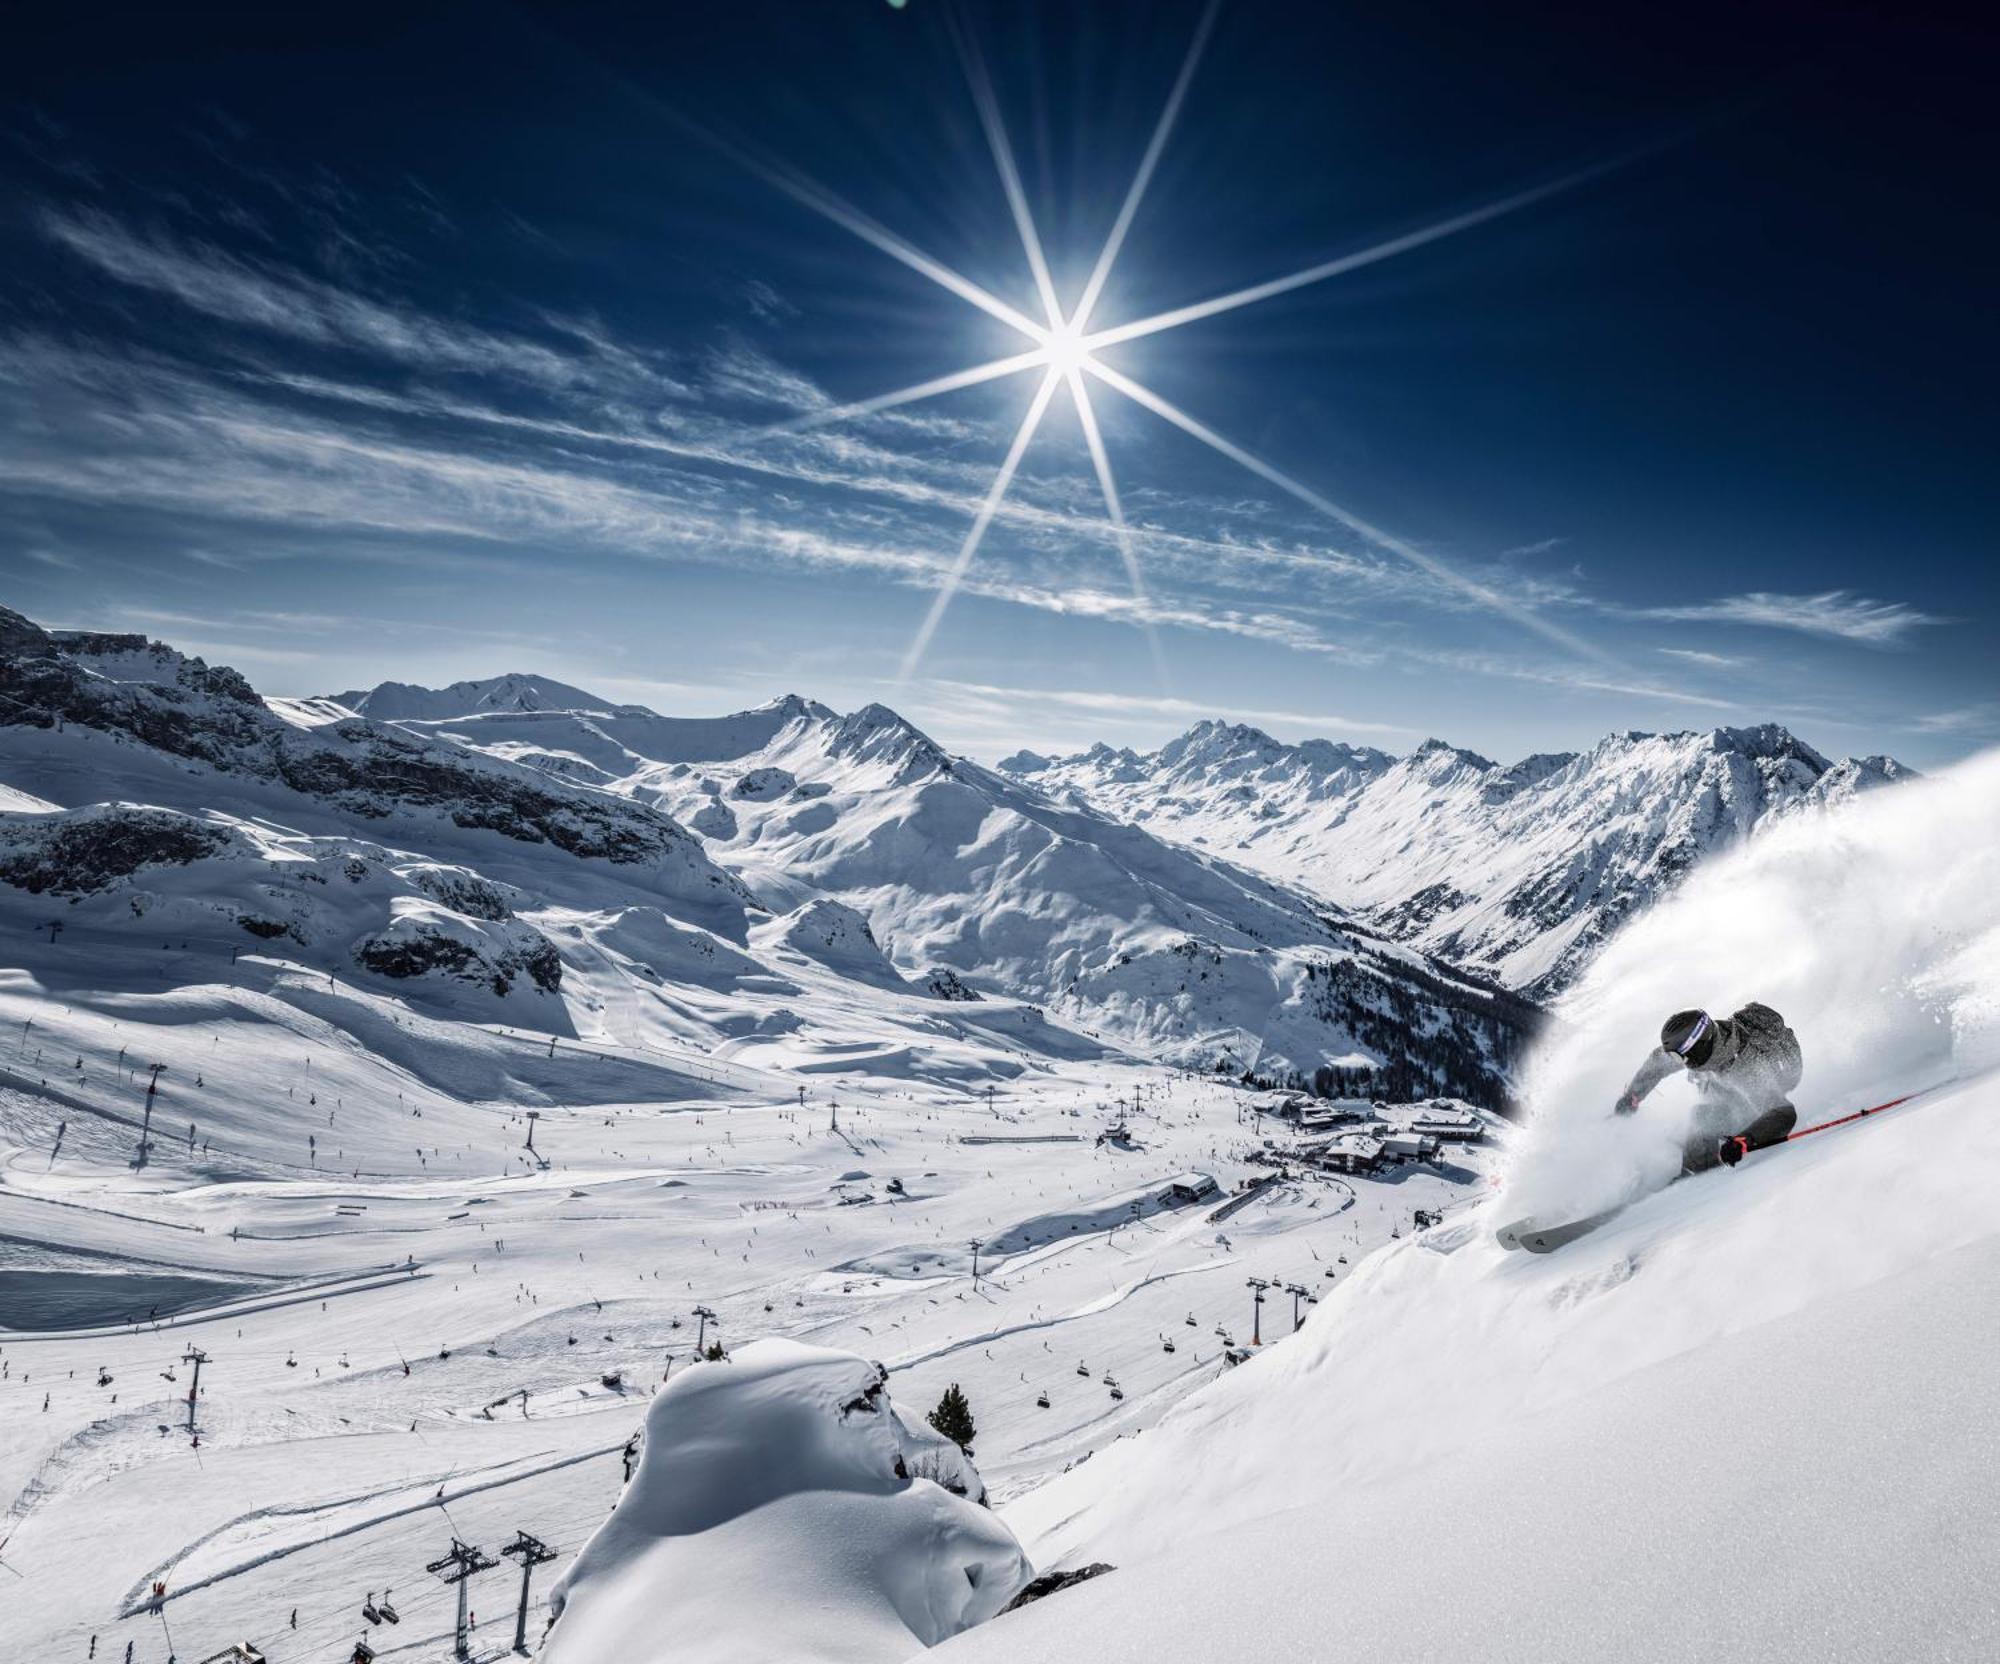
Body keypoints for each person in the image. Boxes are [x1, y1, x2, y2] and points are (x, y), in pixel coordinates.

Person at [1616, 1004, 1802, 1173]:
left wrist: (1744, 1140)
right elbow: (1658, 1063)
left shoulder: (1747, 1070)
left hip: (1753, 1111)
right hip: (1726, 1091)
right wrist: (1634, 1095)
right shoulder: (1709, 1047)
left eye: (1678, 1058)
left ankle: (1698, 1174)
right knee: (1694, 1119)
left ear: (1697, 1050)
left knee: (1702, 1117)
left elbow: (1783, 1113)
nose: (1676, 1062)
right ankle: (1686, 1150)